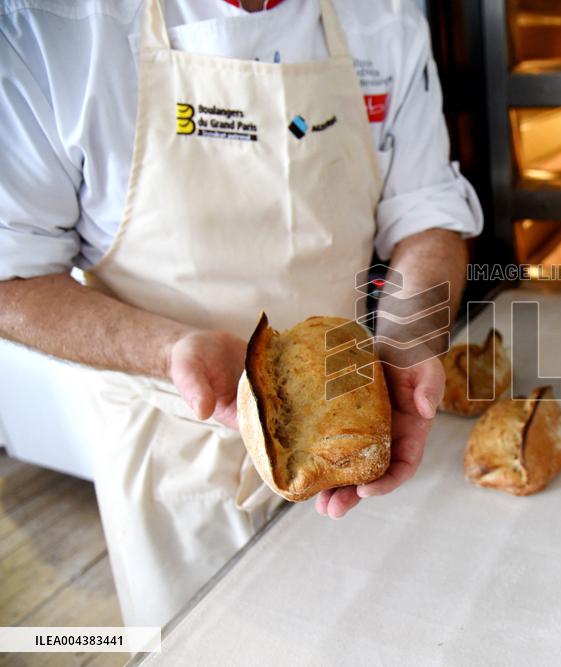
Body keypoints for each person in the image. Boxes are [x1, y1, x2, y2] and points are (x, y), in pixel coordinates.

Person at [0, 0, 482, 627]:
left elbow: (427, 217)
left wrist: (408, 340)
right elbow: (12, 276)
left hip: (354, 427)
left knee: (359, 634)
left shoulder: (382, 18)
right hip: (169, 452)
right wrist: (169, 351)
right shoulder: (53, 28)